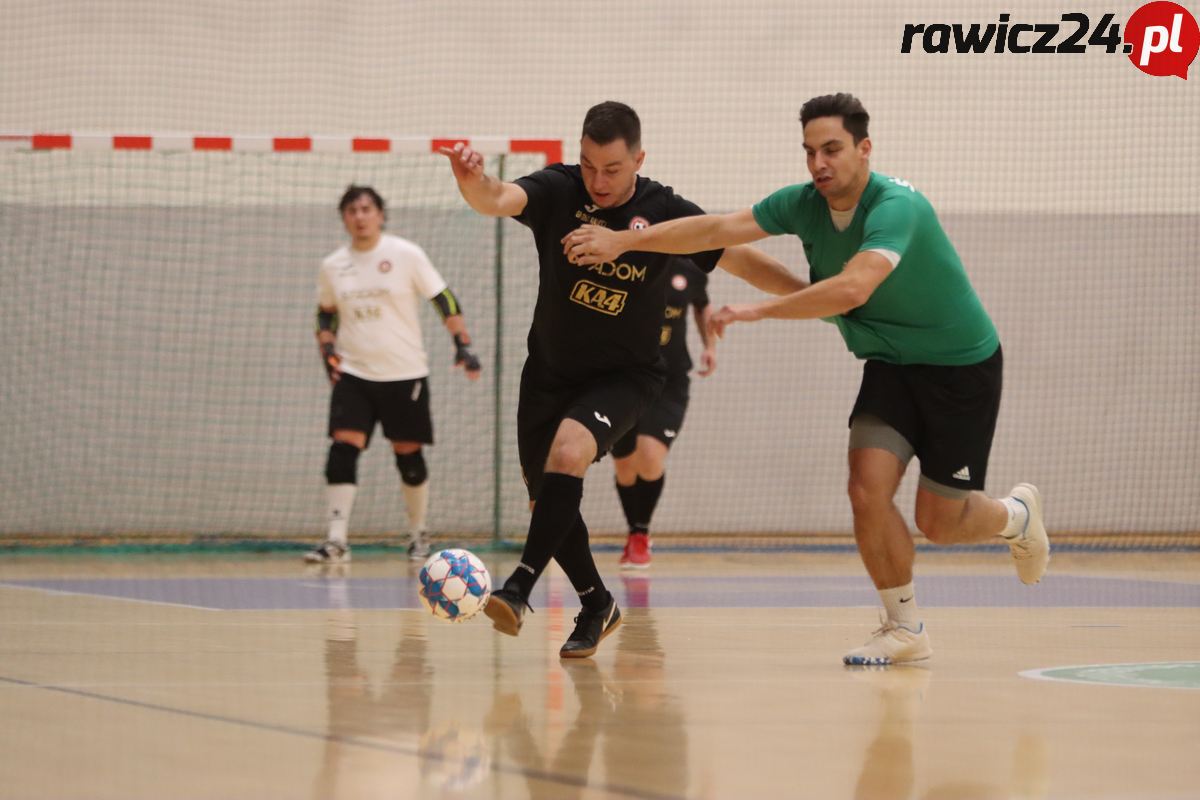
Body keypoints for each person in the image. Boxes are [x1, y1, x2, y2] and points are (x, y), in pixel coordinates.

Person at [561, 93, 1049, 666]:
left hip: (960, 368)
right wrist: (625, 239)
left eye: (833, 149)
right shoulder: (802, 204)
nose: (819, 163)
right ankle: (904, 627)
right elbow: (717, 228)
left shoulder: (897, 208)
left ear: (865, 150)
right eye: (810, 151)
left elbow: (852, 288)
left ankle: (1016, 516)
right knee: (866, 490)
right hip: (891, 367)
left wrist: (752, 311)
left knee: (939, 521)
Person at [439, 101, 804, 658]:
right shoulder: (560, 190)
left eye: (611, 169)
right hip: (548, 374)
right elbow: (497, 198)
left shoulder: (663, 209)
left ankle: (519, 587)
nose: (597, 180)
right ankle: (596, 603)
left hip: (625, 377)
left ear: (638, 159)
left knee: (568, 452)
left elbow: (739, 258)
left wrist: (810, 296)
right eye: (587, 165)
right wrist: (472, 178)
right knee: (547, 501)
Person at [307, 185, 482, 565]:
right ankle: (336, 540)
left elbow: (444, 298)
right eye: (352, 210)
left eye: (367, 208)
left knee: (408, 454)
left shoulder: (406, 255)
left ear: (381, 214)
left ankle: (418, 535)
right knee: (342, 448)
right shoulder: (333, 265)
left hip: (405, 373)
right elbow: (325, 312)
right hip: (354, 373)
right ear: (344, 219)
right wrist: (326, 348)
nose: (360, 216)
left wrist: (462, 344)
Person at [611, 255, 716, 568]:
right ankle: (634, 532)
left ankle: (641, 535)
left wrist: (710, 346)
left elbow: (701, 305)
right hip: (624, 378)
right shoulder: (627, 262)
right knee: (625, 467)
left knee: (650, 455)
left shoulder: (691, 269)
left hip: (670, 382)